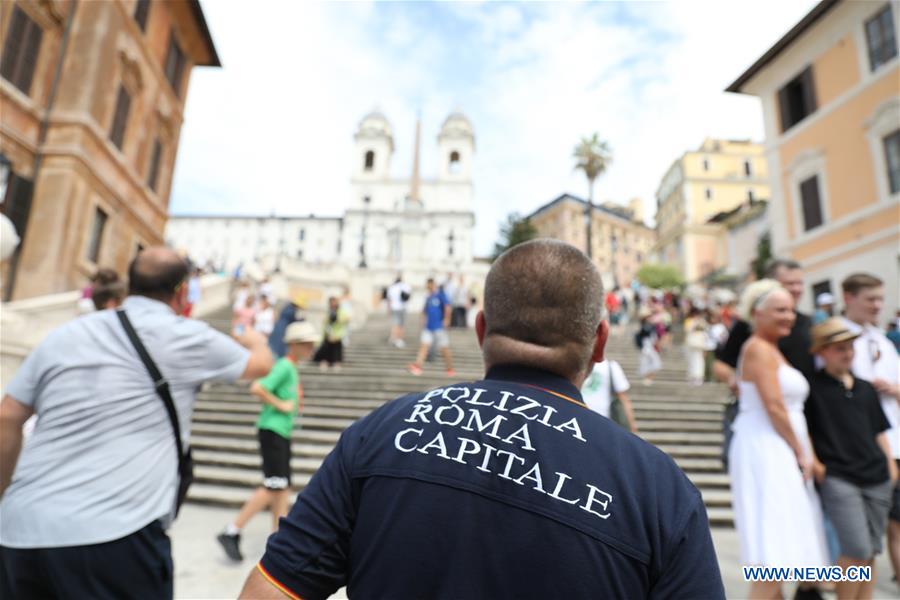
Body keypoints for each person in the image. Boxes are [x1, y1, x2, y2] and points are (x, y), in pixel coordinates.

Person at [239, 239, 724, 599]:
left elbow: (271, 590)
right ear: (600, 342)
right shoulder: (661, 489)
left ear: (481, 329)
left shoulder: (381, 431)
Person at [0, 247, 273, 598]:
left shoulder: (66, 335)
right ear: (182, 290)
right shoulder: (187, 336)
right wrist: (256, 339)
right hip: (114, 535)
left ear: (130, 285)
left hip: (19, 532)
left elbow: (8, 415)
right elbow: (259, 366)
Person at [728, 279, 828, 599]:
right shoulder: (757, 348)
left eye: (791, 310)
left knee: (783, 545)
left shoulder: (772, 349)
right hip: (768, 446)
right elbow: (774, 406)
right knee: (774, 550)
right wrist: (802, 453)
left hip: (779, 444)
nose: (789, 316)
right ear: (757, 313)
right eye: (780, 310)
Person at [805, 317, 897, 600]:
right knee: (855, 547)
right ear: (822, 351)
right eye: (839, 348)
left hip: (877, 475)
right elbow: (804, 430)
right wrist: (817, 465)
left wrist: (891, 465)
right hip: (839, 476)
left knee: (871, 549)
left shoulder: (865, 388)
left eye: (849, 347)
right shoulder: (812, 389)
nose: (847, 353)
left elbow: (878, 431)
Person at [218, 321, 319, 563]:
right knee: (274, 485)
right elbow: (258, 387)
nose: (310, 348)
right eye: (306, 343)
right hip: (273, 430)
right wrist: (281, 405)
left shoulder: (291, 367)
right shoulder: (284, 365)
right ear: (293, 345)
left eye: (311, 343)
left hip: (280, 431)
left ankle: (279, 540)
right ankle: (232, 530)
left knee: (282, 488)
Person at [841, 273, 900, 584]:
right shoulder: (837, 340)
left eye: (880, 298)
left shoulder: (884, 342)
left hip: (894, 442)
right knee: (861, 544)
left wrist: (892, 388)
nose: (878, 306)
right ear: (849, 298)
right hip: (860, 450)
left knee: (891, 529)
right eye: (871, 299)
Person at [715, 258, 815, 393]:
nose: (796, 289)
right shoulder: (748, 324)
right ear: (770, 285)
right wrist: (734, 380)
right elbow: (721, 363)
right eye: (790, 283)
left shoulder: (808, 322)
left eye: (800, 283)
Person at [407, 278, 454, 376]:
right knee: (424, 346)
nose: (428, 287)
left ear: (433, 284)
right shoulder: (428, 297)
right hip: (428, 327)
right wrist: (422, 321)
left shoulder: (440, 295)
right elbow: (424, 311)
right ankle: (418, 366)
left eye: (429, 285)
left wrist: (447, 319)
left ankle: (450, 368)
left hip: (439, 326)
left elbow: (447, 307)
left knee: (444, 348)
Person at [581, 359, 638, 433]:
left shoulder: (611, 366)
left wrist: (631, 424)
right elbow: (623, 398)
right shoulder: (610, 366)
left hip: (582, 419)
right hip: (603, 420)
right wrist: (632, 425)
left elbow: (623, 398)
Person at [313, 296, 349, 371]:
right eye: (331, 302)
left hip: (337, 336)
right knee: (326, 347)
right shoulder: (328, 311)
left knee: (336, 348)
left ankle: (336, 363)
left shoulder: (341, 312)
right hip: (328, 335)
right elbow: (324, 323)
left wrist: (338, 320)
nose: (333, 304)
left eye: (334, 302)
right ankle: (325, 362)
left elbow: (345, 320)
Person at [269, 294, 305, 358]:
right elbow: (292, 320)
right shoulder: (291, 310)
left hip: (279, 328)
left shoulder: (288, 308)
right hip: (282, 330)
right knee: (279, 347)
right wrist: (300, 321)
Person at [684, 307, 710, 386]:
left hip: (700, 344)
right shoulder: (689, 321)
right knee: (692, 361)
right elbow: (687, 330)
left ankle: (698, 378)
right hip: (691, 344)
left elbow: (706, 330)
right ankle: (692, 377)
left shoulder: (702, 321)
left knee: (699, 361)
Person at [386, 275, 411, 348]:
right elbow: (408, 296)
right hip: (403, 307)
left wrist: (388, 309)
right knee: (401, 325)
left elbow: (389, 300)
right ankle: (400, 339)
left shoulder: (392, 287)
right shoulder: (406, 286)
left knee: (394, 324)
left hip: (394, 308)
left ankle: (393, 337)